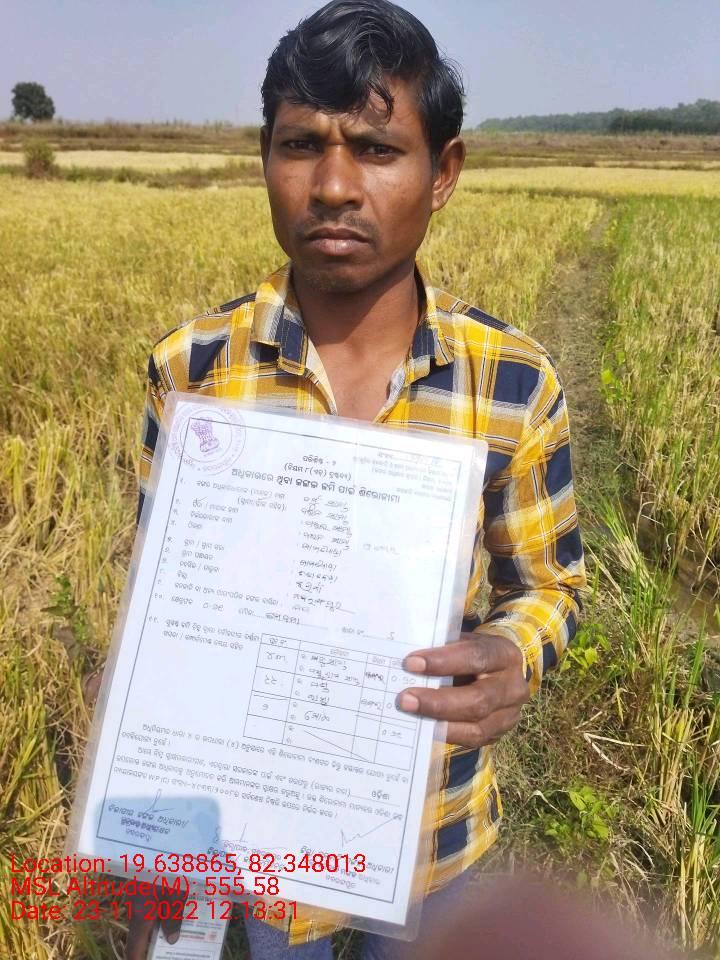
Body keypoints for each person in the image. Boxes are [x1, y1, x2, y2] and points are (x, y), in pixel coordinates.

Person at [122, 0, 586, 956]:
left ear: (443, 172)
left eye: (376, 150)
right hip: (252, 838)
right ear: (265, 158)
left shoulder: (513, 384)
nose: (333, 186)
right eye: (301, 145)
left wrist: (512, 655)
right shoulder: (192, 373)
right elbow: (164, 616)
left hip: (429, 838)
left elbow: (550, 586)